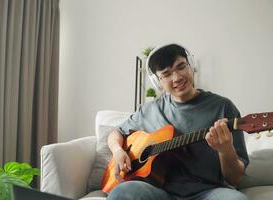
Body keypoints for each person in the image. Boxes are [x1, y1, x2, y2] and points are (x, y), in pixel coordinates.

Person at [107, 43, 249, 200]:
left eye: (181, 67)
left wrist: (225, 150)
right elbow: (116, 133)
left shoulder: (223, 107)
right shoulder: (149, 110)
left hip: (209, 192)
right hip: (159, 192)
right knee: (122, 192)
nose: (177, 78)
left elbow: (235, 178)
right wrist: (118, 151)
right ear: (157, 82)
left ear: (190, 66)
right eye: (166, 74)